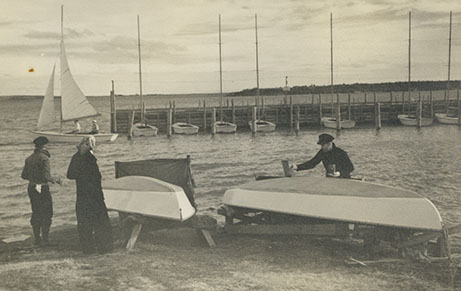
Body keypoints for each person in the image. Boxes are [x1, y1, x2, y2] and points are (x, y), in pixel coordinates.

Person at [66, 136, 113, 254]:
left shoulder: (76, 157)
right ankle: (104, 248)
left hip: (82, 194)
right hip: (93, 195)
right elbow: (96, 177)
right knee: (101, 222)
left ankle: (88, 249)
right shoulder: (90, 158)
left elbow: (70, 175)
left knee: (85, 223)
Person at [21, 136, 61, 246]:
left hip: (32, 187)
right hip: (42, 187)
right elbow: (47, 176)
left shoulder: (29, 158)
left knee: (36, 212)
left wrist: (34, 176)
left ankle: (37, 239)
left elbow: (24, 176)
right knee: (47, 213)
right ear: (44, 146)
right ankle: (45, 240)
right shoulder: (44, 158)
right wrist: (56, 180)